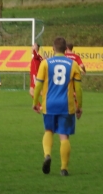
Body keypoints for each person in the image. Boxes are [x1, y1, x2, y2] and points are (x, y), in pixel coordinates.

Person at [32, 37, 82, 176]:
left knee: (49, 130)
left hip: (49, 104)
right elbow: (78, 89)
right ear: (66, 49)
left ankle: (47, 154)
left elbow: (38, 85)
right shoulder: (73, 64)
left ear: (53, 49)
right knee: (64, 136)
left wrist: (35, 102)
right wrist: (79, 106)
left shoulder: (46, 63)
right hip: (66, 105)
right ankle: (64, 169)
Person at [30, 43, 44, 108]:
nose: (31, 48)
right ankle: (40, 105)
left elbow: (35, 53)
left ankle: (42, 105)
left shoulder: (36, 56)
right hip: (33, 76)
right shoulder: (38, 57)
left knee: (38, 92)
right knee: (32, 92)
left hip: (35, 76)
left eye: (33, 46)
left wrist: (34, 48)